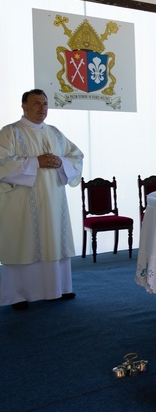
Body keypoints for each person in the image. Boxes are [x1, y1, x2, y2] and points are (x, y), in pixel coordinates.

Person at [0, 89, 84, 310]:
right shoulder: (10, 132)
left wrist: (61, 163)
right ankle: (18, 295)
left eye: (45, 104)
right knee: (23, 242)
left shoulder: (55, 133)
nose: (42, 108)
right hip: (21, 202)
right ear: (24, 106)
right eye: (36, 103)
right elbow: (2, 163)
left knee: (53, 239)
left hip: (53, 200)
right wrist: (36, 162)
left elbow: (76, 157)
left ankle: (58, 289)